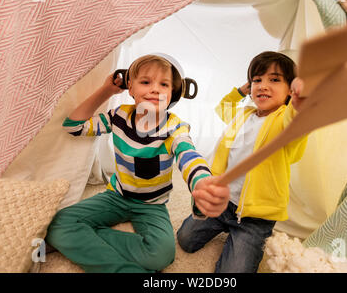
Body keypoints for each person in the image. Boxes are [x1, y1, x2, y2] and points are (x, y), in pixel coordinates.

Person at [45, 54, 230, 273]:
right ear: (130, 88)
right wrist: (107, 91)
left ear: (174, 93)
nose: (155, 89)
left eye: (164, 84)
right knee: (56, 224)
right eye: (145, 82)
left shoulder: (175, 127)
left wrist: (201, 182)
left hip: (152, 205)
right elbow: (73, 126)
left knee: (162, 256)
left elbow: (188, 155)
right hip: (116, 196)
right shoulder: (118, 116)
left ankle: (83, 236)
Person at [177, 51, 308, 273]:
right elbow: (223, 107)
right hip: (222, 203)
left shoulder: (284, 121)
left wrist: (297, 104)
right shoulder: (244, 115)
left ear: (289, 90)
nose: (263, 85)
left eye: (274, 80)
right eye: (257, 80)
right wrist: (240, 91)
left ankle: (241, 238)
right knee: (185, 240)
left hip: (255, 218)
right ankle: (223, 226)